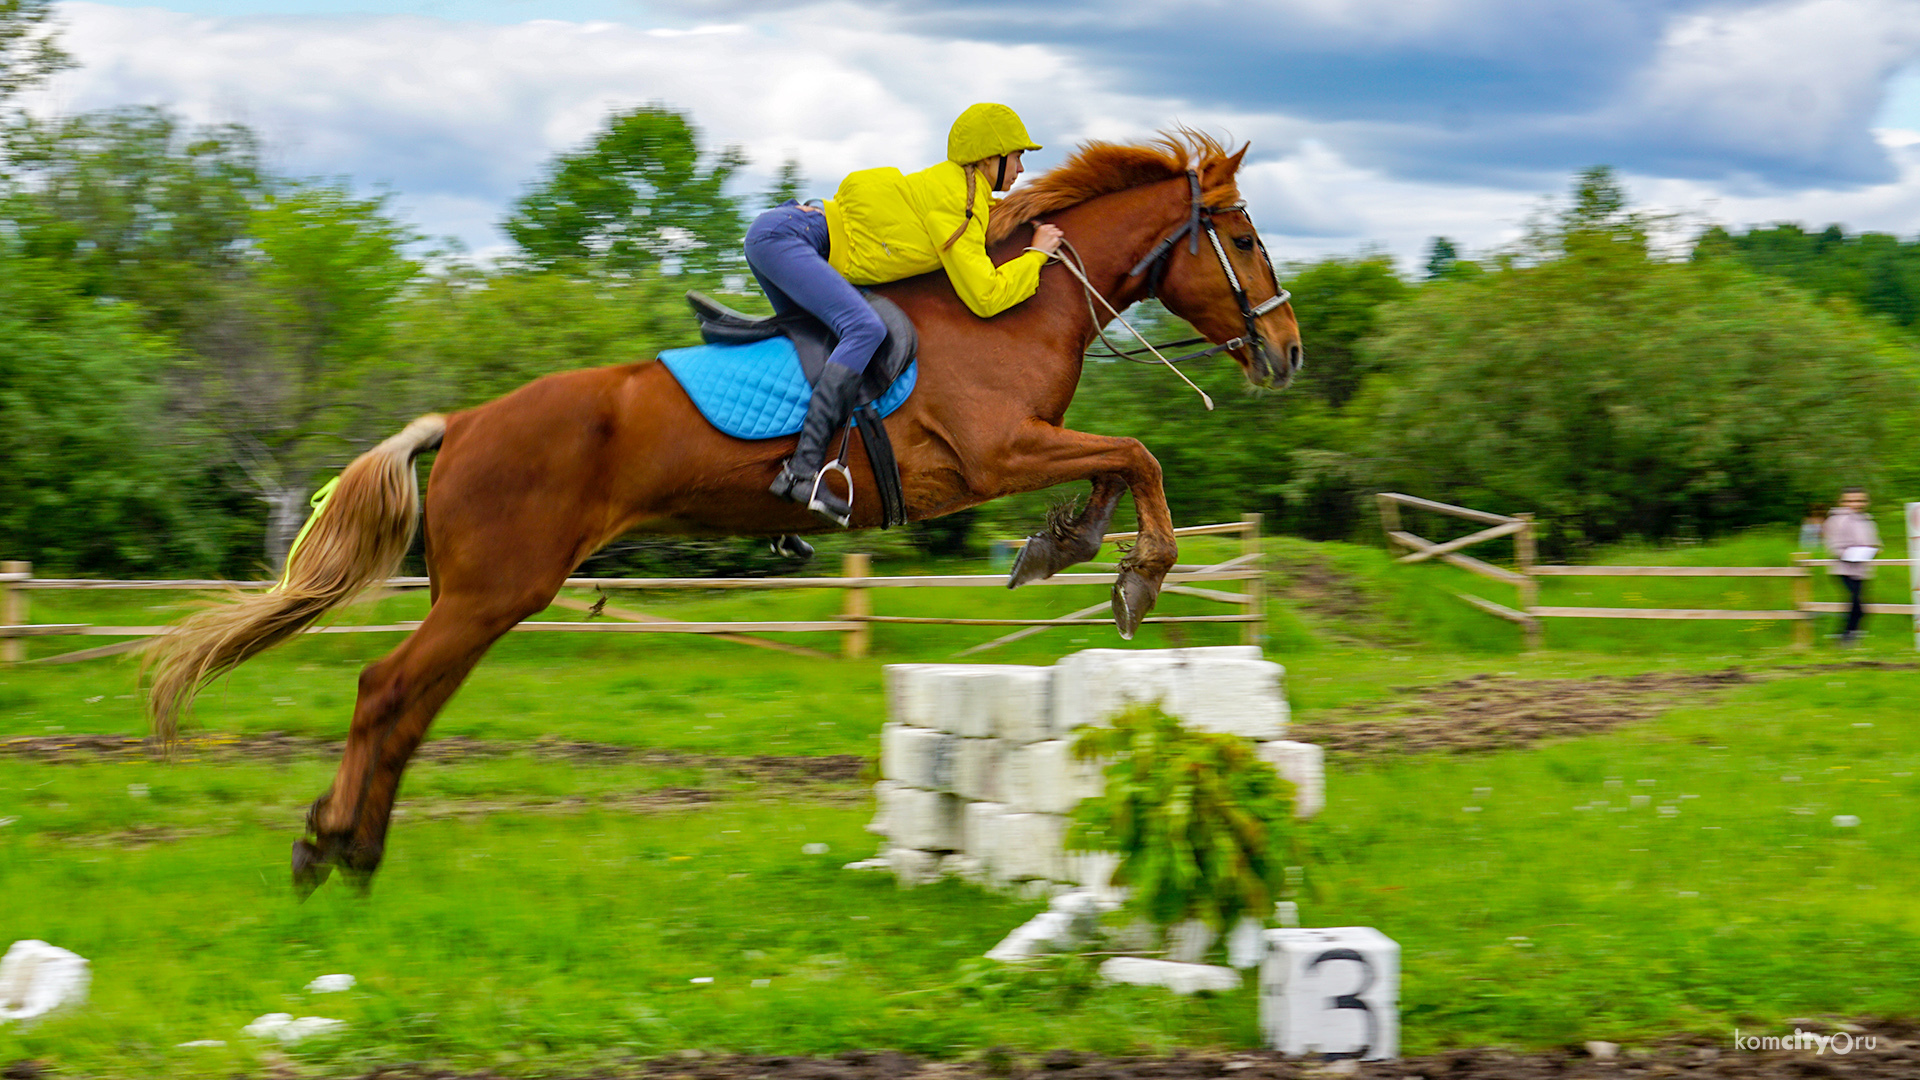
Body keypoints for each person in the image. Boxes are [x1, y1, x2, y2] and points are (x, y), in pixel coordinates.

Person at [743, 103, 1065, 524]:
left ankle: (779, 503)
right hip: (789, 237)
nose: (1022, 168)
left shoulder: (953, 189)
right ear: (989, 158)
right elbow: (986, 296)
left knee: (816, 355)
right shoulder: (959, 204)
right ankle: (802, 471)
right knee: (863, 329)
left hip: (787, 232)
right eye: (1018, 156)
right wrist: (1036, 256)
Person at [1820, 487, 1880, 644]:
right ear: (1842, 502)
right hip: (1844, 569)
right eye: (1851, 500)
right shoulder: (1836, 520)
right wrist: (1852, 554)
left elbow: (1874, 543)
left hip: (1862, 570)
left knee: (1859, 605)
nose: (1855, 504)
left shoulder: (1867, 520)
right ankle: (1846, 636)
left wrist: (1873, 550)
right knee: (1857, 604)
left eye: (1859, 500)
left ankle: (1849, 636)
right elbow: (1833, 546)